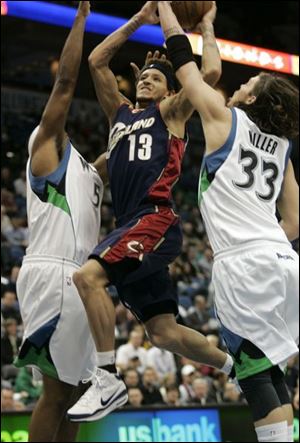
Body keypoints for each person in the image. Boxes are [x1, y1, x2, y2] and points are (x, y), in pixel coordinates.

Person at [67, 1, 235, 423]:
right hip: (130, 225)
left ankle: (106, 378)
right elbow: (96, 60)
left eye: (156, 78)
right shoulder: (119, 113)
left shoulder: (172, 112)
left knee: (87, 277)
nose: (147, 81)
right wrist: (140, 20)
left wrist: (208, 26)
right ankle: (236, 366)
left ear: (169, 90)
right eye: (143, 76)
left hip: (154, 217)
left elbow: (210, 75)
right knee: (163, 333)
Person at [158, 2, 299, 442]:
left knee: (253, 375)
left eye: (249, 82)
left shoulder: (224, 118)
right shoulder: (281, 148)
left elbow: (185, 66)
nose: (240, 84)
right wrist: (210, 27)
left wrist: (169, 10)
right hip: (283, 258)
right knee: (270, 369)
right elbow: (294, 220)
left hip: (245, 265)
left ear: (252, 99)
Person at [13, 2, 108, 441]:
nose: (62, 113)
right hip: (54, 273)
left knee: (77, 393)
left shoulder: (87, 169)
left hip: (78, 278)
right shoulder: (47, 145)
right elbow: (67, 82)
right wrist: (81, 20)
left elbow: (124, 149)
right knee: (56, 394)